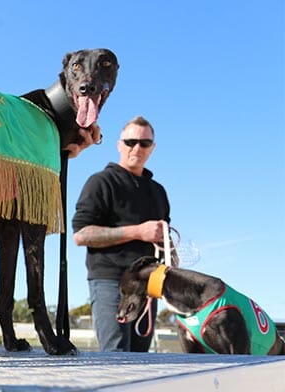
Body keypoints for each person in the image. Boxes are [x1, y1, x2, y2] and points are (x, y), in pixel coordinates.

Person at [72, 115, 172, 352]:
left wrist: (170, 254)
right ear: (119, 144)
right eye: (130, 142)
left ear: (152, 148)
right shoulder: (100, 182)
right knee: (116, 356)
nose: (137, 148)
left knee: (141, 359)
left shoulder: (158, 191)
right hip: (110, 282)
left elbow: (163, 236)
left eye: (144, 143)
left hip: (148, 285)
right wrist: (138, 231)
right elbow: (81, 234)